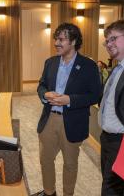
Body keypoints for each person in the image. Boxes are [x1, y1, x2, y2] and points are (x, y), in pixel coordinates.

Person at [32, 23, 101, 196]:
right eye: (56, 38)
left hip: (73, 122)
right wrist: (45, 94)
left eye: (61, 39)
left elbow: (95, 96)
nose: (56, 42)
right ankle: (49, 192)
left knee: (70, 164)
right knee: (45, 160)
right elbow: (41, 85)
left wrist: (69, 100)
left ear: (73, 41)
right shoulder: (50, 62)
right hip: (49, 120)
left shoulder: (88, 66)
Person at [98, 19, 124, 196]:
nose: (109, 44)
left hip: (121, 141)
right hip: (108, 139)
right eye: (107, 41)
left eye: (114, 38)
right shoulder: (116, 69)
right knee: (111, 184)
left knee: (111, 188)